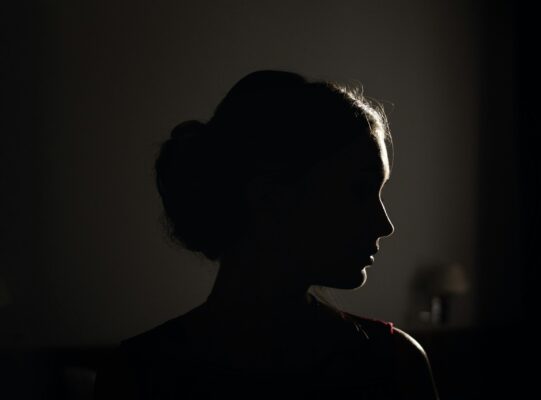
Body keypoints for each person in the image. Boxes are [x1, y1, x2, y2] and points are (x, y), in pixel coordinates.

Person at [94, 70, 439, 399]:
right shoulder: (138, 376)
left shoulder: (396, 365)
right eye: (359, 191)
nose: (384, 224)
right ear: (269, 198)